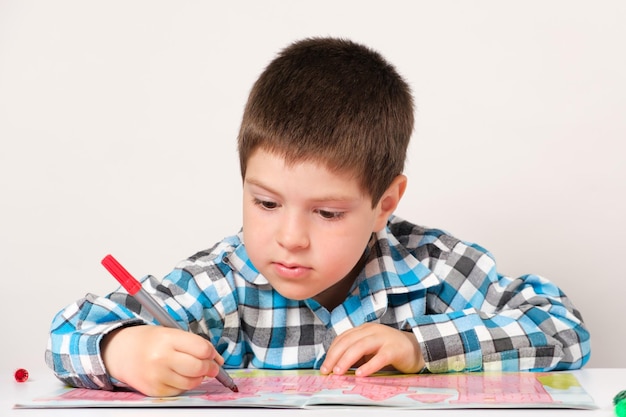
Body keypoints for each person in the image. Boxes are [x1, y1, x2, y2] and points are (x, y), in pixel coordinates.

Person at [46, 37, 591, 397]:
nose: (289, 238)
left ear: (385, 203)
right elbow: (68, 332)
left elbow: (563, 330)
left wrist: (418, 347)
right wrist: (126, 349)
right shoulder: (222, 285)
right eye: (265, 203)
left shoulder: (432, 270)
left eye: (327, 212)